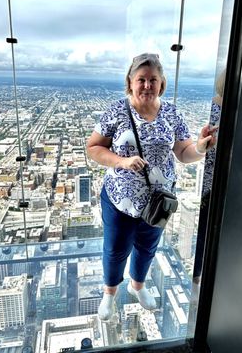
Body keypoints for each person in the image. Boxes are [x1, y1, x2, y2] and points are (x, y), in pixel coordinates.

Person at [86, 53, 217, 321]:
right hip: (119, 199)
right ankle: (110, 293)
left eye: (153, 80)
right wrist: (121, 161)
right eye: (141, 79)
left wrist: (201, 148)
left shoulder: (171, 112)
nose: (147, 85)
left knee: (147, 246)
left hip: (158, 200)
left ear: (161, 83)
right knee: (115, 249)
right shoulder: (116, 111)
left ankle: (138, 286)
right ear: (130, 82)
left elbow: (183, 151)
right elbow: (94, 148)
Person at [193, 69, 226, 284]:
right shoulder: (226, 105)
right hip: (219, 176)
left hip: (213, 177)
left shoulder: (218, 103)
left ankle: (200, 275)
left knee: (208, 226)